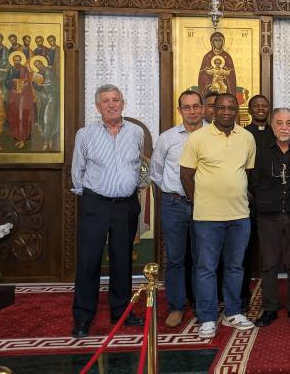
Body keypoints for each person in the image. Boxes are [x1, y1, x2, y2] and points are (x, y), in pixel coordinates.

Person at [70, 84, 145, 338]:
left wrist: (132, 188)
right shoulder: (85, 134)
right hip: (95, 204)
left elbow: (139, 164)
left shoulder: (135, 132)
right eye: (105, 101)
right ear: (97, 106)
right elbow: (78, 169)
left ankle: (121, 312)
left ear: (123, 103)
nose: (111, 105)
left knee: (122, 258)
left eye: (116, 100)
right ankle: (83, 317)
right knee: (89, 260)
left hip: (126, 205)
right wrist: (90, 196)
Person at [179, 92, 256, 339]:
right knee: (206, 268)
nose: (226, 112)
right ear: (212, 111)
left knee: (235, 266)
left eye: (231, 108)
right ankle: (207, 317)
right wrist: (198, 202)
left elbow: (248, 173)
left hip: (239, 215)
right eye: (221, 108)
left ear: (237, 111)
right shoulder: (198, 138)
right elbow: (185, 175)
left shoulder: (247, 137)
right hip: (207, 217)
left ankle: (233, 312)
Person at [150, 90, 205, 328]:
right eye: (186, 107)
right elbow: (156, 171)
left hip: (205, 204)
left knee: (203, 258)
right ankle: (176, 306)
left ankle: (202, 305)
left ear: (203, 108)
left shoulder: (213, 135)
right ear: (179, 110)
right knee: (175, 258)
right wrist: (173, 190)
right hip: (174, 204)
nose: (192, 111)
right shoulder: (168, 138)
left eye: (196, 106)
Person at [251, 108, 290, 327]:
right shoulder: (259, 148)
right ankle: (270, 308)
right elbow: (252, 179)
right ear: (272, 125)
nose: (284, 127)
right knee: (269, 264)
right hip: (268, 215)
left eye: (289, 123)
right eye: (279, 123)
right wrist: (263, 201)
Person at [241, 94, 275, 309]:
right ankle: (243, 294)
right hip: (248, 201)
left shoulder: (276, 132)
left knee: (272, 250)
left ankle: (273, 295)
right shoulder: (242, 134)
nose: (261, 109)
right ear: (250, 110)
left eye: (264, 106)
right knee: (245, 250)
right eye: (256, 106)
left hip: (273, 200)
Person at [5, 52, 35, 149]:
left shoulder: (24, 69)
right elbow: (6, 82)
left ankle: (23, 138)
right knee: (14, 116)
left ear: (20, 60)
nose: (16, 62)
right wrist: (12, 81)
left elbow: (28, 82)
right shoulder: (10, 70)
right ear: (13, 61)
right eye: (15, 60)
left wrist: (22, 87)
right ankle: (18, 137)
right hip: (14, 96)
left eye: (18, 60)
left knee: (22, 116)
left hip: (23, 96)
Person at [198, 32, 236, 98]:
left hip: (223, 82)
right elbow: (202, 74)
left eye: (220, 41)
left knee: (224, 88)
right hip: (212, 83)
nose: (218, 43)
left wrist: (226, 75)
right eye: (216, 40)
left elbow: (231, 74)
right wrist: (209, 81)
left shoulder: (227, 56)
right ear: (212, 42)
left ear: (223, 42)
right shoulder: (207, 56)